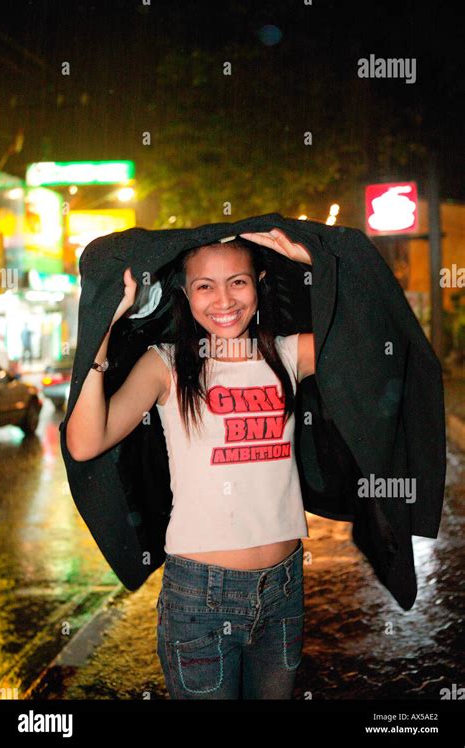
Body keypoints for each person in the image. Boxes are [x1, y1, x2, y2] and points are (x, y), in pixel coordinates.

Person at [66, 228, 316, 699]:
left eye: (238, 282)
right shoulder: (165, 365)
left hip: (284, 588)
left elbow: (370, 338)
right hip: (200, 596)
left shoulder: (288, 353)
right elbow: (85, 442)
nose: (223, 299)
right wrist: (101, 329)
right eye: (205, 285)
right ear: (185, 292)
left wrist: (312, 259)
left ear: (259, 283)